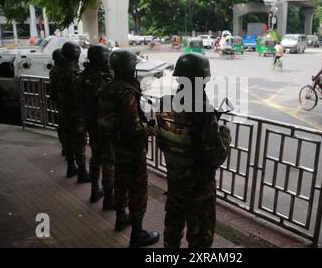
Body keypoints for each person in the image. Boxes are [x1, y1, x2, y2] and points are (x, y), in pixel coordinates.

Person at [155, 52, 231, 248]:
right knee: (200, 239)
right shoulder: (204, 112)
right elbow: (216, 157)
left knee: (172, 230)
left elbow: (162, 142)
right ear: (203, 80)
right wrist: (223, 132)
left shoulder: (164, 102)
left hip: (174, 182)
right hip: (199, 190)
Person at [98, 50, 159, 247]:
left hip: (115, 145)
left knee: (120, 181)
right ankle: (137, 233)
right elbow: (133, 126)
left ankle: (120, 217)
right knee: (137, 188)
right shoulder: (127, 93)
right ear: (131, 68)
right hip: (131, 149)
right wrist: (151, 129)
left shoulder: (107, 88)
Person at [78, 44, 115, 208]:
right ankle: (108, 198)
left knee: (95, 157)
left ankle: (94, 190)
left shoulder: (82, 77)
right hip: (105, 126)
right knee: (108, 161)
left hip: (90, 123)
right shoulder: (105, 79)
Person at [56, 41, 90, 183]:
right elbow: (80, 94)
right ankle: (82, 171)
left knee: (69, 140)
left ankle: (71, 167)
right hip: (76, 112)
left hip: (64, 110)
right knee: (80, 142)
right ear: (76, 54)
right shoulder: (73, 71)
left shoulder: (57, 70)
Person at [49, 49, 66, 156]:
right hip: (67, 102)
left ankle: (65, 147)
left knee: (62, 124)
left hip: (59, 101)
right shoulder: (64, 71)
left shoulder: (54, 70)